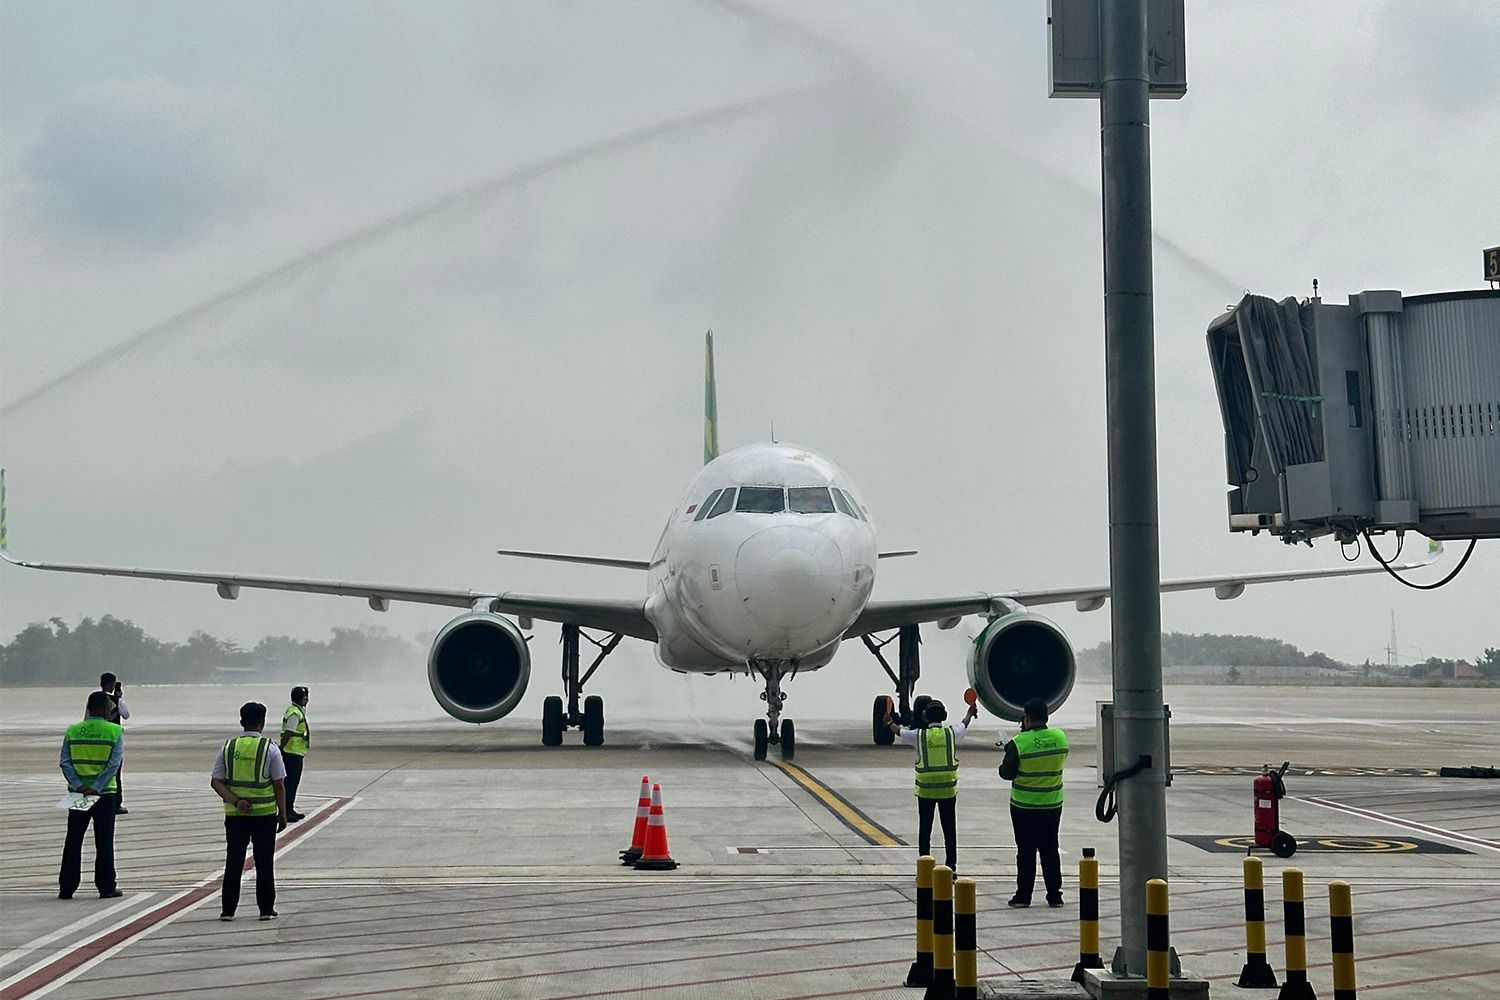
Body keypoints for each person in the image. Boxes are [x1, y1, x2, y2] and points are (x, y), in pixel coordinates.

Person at [211, 702, 287, 921]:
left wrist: (236, 802)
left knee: (233, 861)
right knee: (264, 862)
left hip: (236, 816)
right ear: (262, 723)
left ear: (241, 721)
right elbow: (279, 784)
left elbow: (216, 782)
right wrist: (282, 813)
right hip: (264, 816)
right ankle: (265, 909)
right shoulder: (269, 748)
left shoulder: (228, 747)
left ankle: (228, 910)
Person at [886, 697, 979, 873]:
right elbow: (964, 724)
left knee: (925, 832)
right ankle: (951, 868)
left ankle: (924, 870)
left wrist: (888, 721)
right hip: (947, 792)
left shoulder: (919, 736)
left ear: (925, 717)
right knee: (949, 832)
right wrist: (970, 713)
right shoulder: (951, 734)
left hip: (926, 792)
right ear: (944, 716)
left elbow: (898, 731)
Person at [999, 697, 1070, 908]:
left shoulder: (1019, 743)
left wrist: (1011, 749)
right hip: (1052, 804)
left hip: (1024, 807)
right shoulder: (1060, 737)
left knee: (1026, 851)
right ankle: (1055, 895)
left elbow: (1006, 773)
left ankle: (1023, 896)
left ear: (1027, 718)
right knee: (1050, 849)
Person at [59, 691, 124, 899]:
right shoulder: (114, 731)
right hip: (104, 794)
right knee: (104, 841)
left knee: (73, 840)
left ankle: (67, 887)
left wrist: (79, 785)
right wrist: (96, 786)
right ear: (104, 709)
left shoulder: (73, 730)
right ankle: (106, 886)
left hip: (78, 795)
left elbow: (65, 762)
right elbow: (114, 765)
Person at [99, 672, 130, 814]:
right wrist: (119, 699)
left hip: (98, 739)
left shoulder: (95, 698)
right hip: (113, 738)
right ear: (112, 685)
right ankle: (116, 803)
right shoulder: (116, 699)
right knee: (115, 772)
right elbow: (126, 714)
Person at [279, 686, 311, 821]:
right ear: (303, 698)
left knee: (293, 783)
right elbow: (289, 732)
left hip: (295, 752)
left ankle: (290, 809)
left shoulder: (296, 710)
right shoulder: (294, 713)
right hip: (291, 752)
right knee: (290, 783)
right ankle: (286, 811)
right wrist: (281, 748)